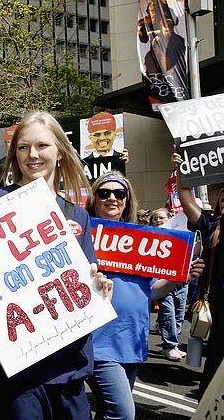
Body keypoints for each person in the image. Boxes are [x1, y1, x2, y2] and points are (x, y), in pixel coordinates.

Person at [0, 111, 114, 419]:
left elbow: (88, 280)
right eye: (23, 147)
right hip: (16, 374)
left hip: (69, 368)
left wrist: (100, 289)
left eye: (42, 146)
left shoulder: (78, 215)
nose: (32, 155)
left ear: (59, 152)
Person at [85, 171, 203, 420]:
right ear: (94, 198)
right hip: (98, 342)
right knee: (122, 414)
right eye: (104, 193)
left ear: (127, 200)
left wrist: (181, 276)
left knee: (109, 412)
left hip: (132, 340)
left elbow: (150, 292)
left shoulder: (141, 238)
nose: (112, 198)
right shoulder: (82, 234)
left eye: (119, 193)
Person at [172, 152, 224, 398]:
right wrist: (181, 171)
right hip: (219, 305)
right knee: (216, 359)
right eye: (223, 200)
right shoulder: (211, 225)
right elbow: (185, 198)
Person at [150, 207, 188, 361]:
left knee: (179, 313)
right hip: (161, 280)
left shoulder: (180, 234)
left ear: (169, 218)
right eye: (155, 218)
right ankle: (169, 345)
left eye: (161, 218)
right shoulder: (149, 236)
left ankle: (173, 344)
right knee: (168, 312)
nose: (158, 221)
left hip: (180, 280)